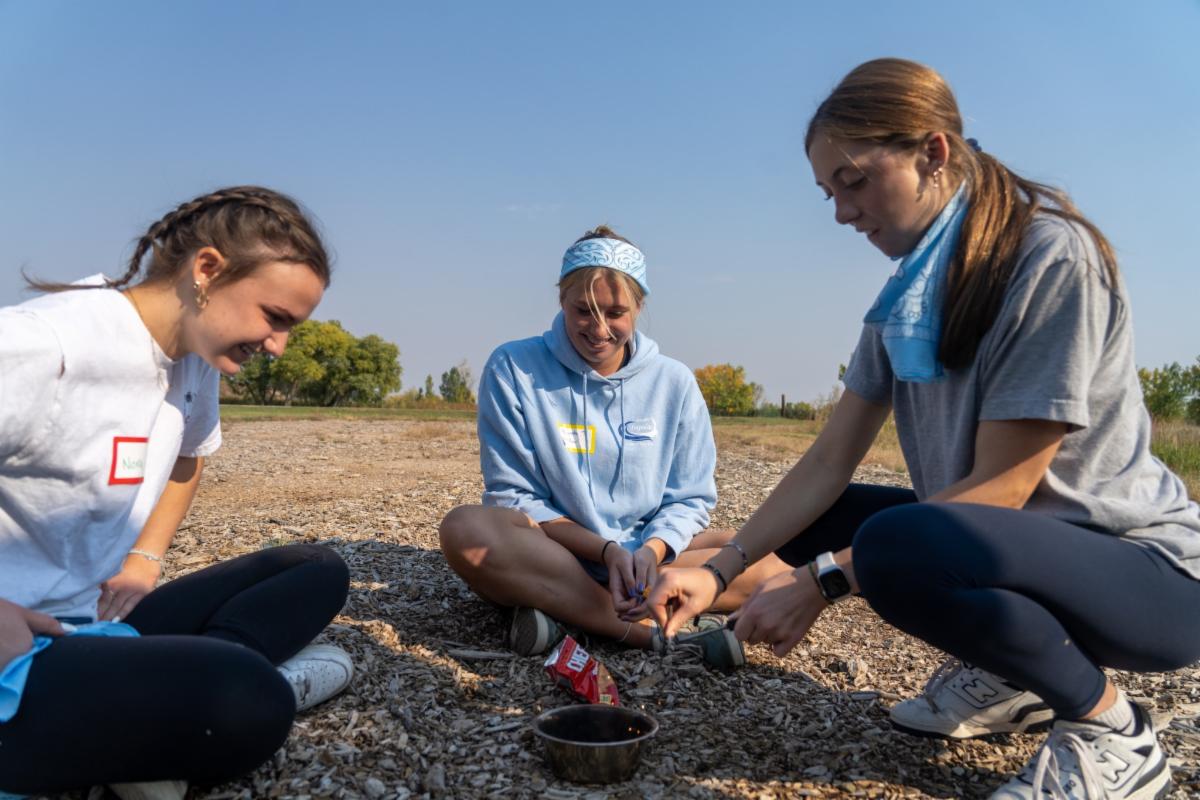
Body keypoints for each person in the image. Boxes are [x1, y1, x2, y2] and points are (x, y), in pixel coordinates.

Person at [648, 59, 1200, 799]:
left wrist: (820, 583)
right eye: (828, 194)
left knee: (887, 546)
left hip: (1145, 578)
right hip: (1019, 556)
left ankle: (1110, 731)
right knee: (835, 519)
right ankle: (1016, 673)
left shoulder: (1048, 258)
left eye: (853, 181)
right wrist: (717, 569)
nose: (842, 212)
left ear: (932, 153)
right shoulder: (903, 300)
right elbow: (827, 462)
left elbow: (1004, 491)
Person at [0, 187, 354, 799]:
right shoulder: (44, 348)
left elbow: (187, 458)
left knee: (317, 568)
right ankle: (182, 704)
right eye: (275, 318)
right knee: (250, 701)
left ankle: (152, 709)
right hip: (19, 650)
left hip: (90, 620)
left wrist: (144, 560)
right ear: (208, 270)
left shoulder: (194, 355)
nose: (278, 346)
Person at [440, 226, 789, 667]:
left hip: (647, 558)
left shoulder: (675, 382)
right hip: (554, 553)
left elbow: (690, 498)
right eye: (583, 310)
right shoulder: (513, 367)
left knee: (773, 562)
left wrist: (648, 552)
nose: (599, 329)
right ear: (560, 301)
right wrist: (605, 552)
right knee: (466, 532)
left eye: (616, 312)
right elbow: (514, 497)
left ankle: (565, 614)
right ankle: (647, 632)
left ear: (640, 306)